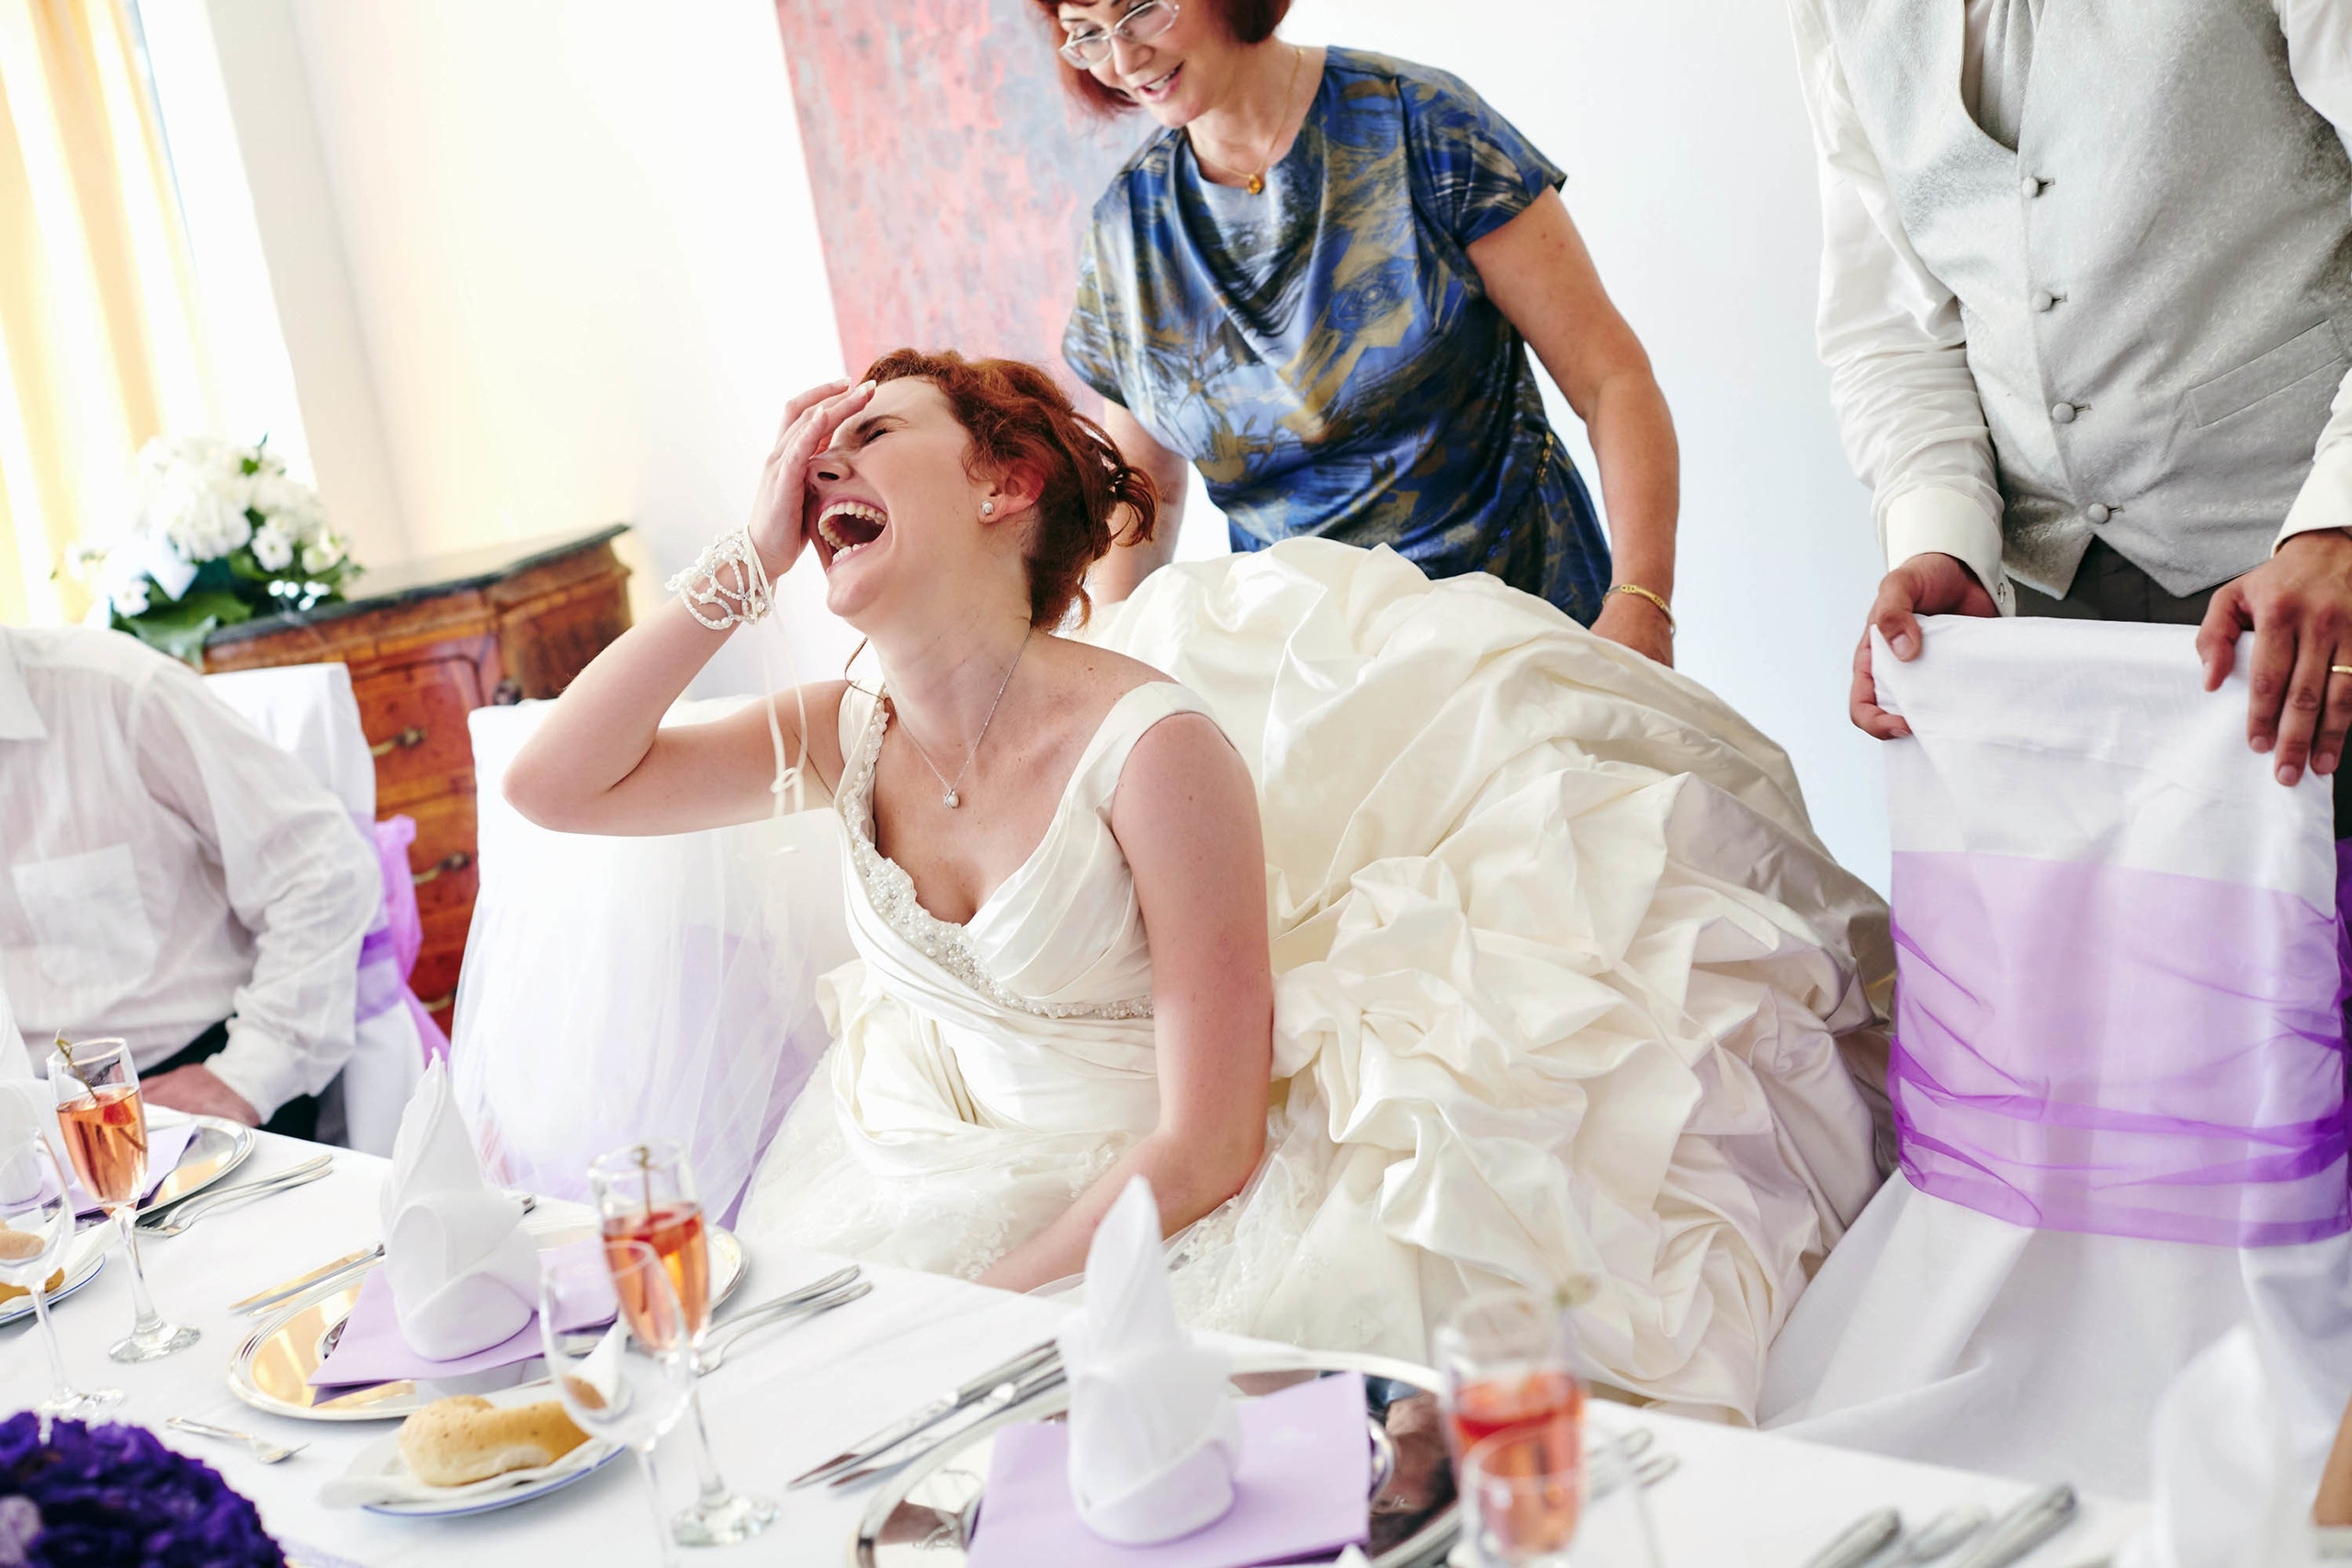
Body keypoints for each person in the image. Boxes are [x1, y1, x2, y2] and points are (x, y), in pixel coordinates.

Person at [507, 350, 1891, 1421]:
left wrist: (961, 1315)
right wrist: (746, 556)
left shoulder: (1155, 751)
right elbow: (553, 784)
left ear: (1003, 486)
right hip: (923, 1171)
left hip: (1168, 1205)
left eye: (869, 434)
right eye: (810, 457)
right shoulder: (835, 728)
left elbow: (1212, 1146)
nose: (820, 470)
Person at [1763, 0, 2352, 1491]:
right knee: (2115, 1115)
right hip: (2053, 633)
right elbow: (1885, 314)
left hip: (2310, 571)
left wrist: (2340, 517)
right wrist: (1941, 537)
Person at [1044, 0, 1682, 666]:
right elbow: (1147, 496)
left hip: (1527, 627)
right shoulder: (1127, 237)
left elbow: (1610, 379)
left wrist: (1642, 602)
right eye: (1086, 34)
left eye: (1140, 9)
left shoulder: (1422, 123)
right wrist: (1110, 678)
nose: (1122, 60)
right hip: (1314, 684)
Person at [0, 625, 379, 1135]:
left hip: (184, 1091)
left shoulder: (119, 690)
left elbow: (323, 868)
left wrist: (247, 1076)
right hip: (24, 1122)